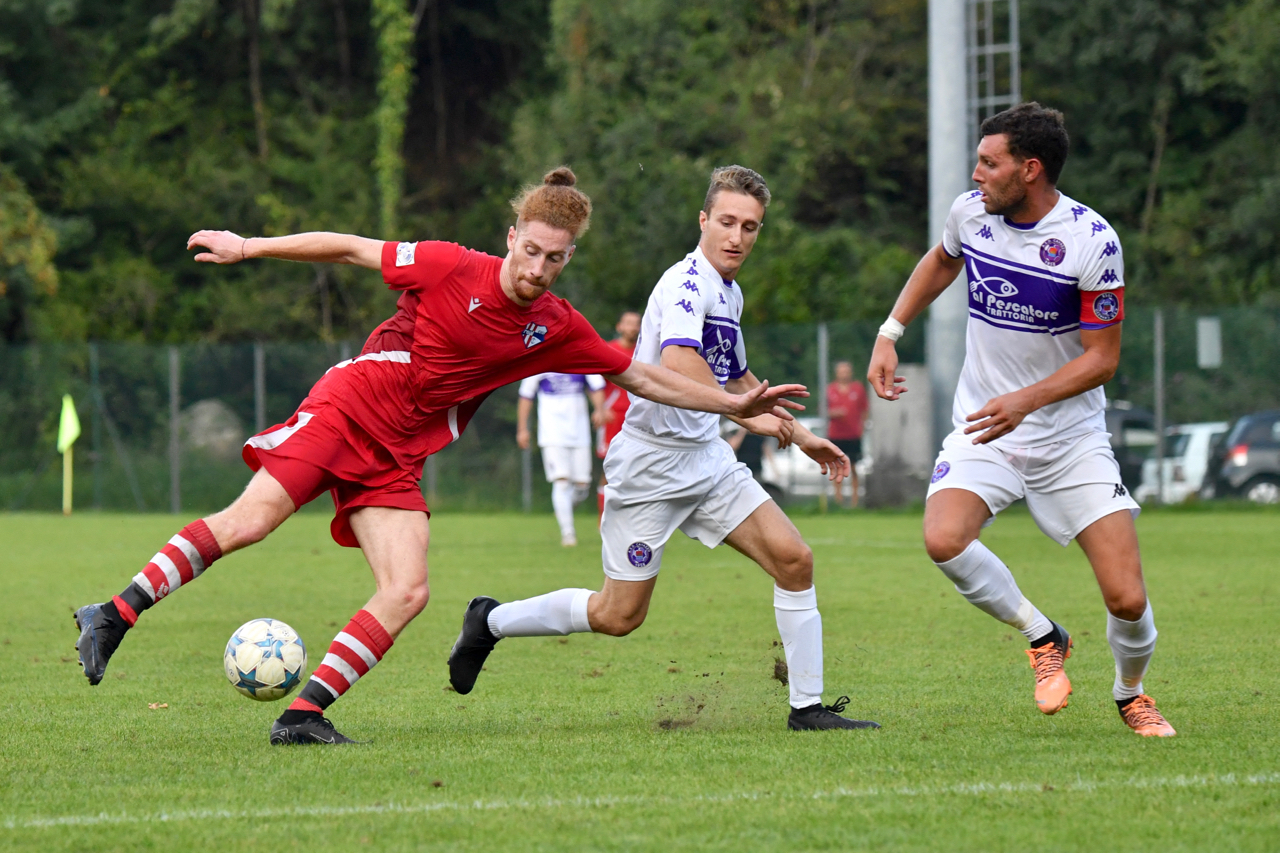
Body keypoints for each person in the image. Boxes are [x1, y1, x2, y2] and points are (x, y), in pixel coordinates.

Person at [71, 167, 807, 745]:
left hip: (399, 451)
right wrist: (249, 246)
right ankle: (113, 613)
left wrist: (735, 405)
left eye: (554, 259)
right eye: (530, 250)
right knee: (251, 521)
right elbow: (351, 247)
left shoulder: (556, 325)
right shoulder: (450, 265)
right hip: (351, 406)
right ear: (511, 236)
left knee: (407, 590)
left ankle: (302, 715)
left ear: (568, 257)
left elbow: (641, 376)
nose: (538, 268)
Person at [449, 165, 880, 731]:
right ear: (703, 220)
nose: (737, 237)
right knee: (618, 615)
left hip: (707, 458)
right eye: (726, 222)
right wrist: (739, 411)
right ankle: (490, 620)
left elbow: (738, 376)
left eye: (750, 227)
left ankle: (808, 708)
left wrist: (801, 436)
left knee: (794, 559)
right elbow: (679, 361)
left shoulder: (729, 292)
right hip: (651, 465)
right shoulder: (685, 283)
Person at [866, 103, 1174, 737]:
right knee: (943, 539)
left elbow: (1103, 359)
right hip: (986, 428)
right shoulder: (971, 212)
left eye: (989, 162)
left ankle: (1131, 693)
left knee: (1127, 598)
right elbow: (942, 260)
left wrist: (1025, 401)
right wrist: (890, 332)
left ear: (1029, 170)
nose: (975, 174)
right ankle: (1042, 634)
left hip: (1070, 440)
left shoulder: (1092, 241)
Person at [517, 372, 606, 546]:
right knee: (562, 482)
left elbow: (596, 386)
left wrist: (600, 409)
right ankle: (568, 533)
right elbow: (526, 396)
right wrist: (522, 429)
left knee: (582, 486)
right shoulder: (538, 362)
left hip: (579, 433)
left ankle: (563, 509)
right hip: (552, 434)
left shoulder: (579, 359)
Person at [595, 311, 641, 520]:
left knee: (636, 470)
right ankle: (603, 518)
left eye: (636, 324)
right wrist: (600, 409)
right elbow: (594, 383)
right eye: (628, 323)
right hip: (613, 418)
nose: (632, 327)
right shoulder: (608, 349)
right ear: (619, 326)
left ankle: (630, 518)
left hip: (638, 419)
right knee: (610, 468)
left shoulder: (643, 352)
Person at [826, 360, 868, 507]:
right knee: (837, 468)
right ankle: (838, 501)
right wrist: (834, 413)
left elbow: (864, 410)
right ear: (836, 373)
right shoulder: (830, 390)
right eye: (841, 371)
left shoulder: (858, 389)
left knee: (854, 467)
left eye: (846, 371)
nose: (844, 374)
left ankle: (855, 502)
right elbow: (823, 410)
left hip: (853, 435)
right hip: (836, 435)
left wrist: (862, 428)